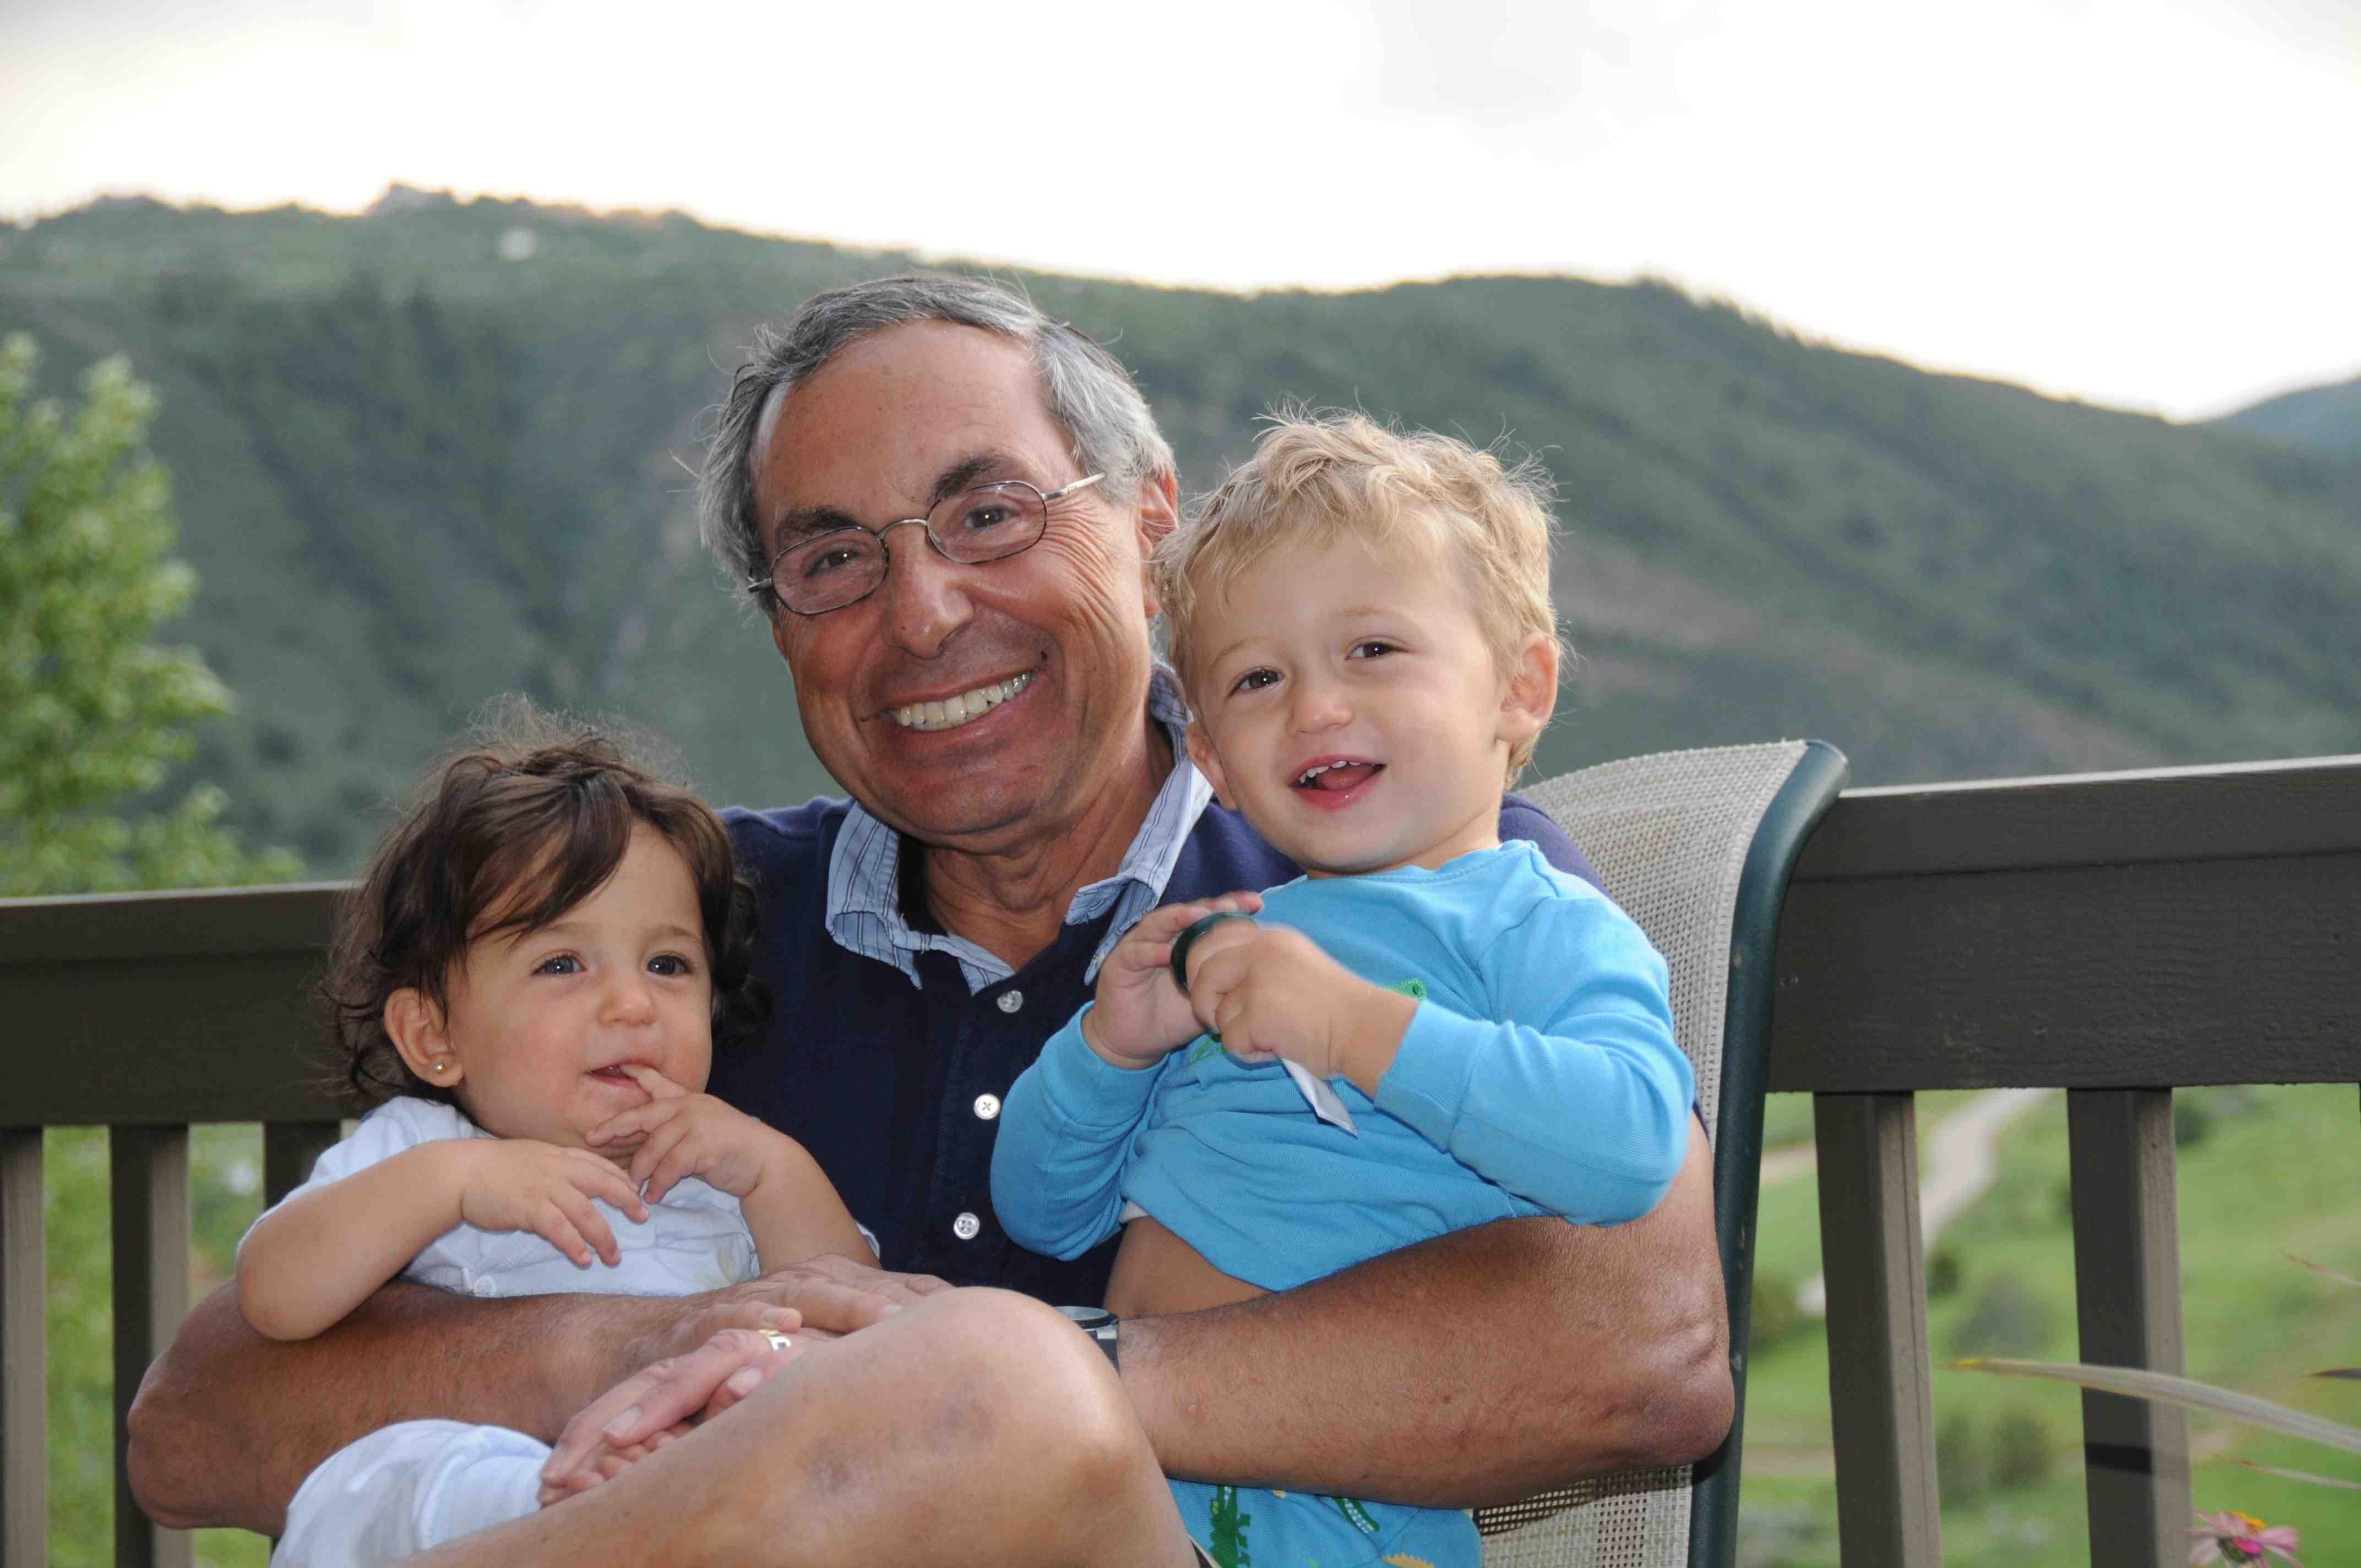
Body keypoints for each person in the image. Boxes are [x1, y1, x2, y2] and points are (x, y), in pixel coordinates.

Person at [127, 275, 1733, 1565]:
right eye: (833, 559)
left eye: (990, 517)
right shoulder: (668, 935)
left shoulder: (1401, 877)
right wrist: (659, 1344)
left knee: (994, 1374)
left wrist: (998, 1390)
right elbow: (199, 1423)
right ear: (779, 630)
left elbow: (1645, 1350)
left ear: (1150, 528)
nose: (924, 612)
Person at [990, 414, 1695, 1567]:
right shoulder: (1227, 941)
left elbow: (1626, 1145)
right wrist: (1108, 1048)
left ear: (1518, 689)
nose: (1314, 706)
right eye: (1257, 678)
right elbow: (1043, 1211)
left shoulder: (1537, 920)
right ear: (1210, 755)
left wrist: (1354, 1025)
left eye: (1372, 650)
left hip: (1344, 1512)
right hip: (1127, 1489)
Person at [240, 721, 880, 1562]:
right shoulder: (425, 1148)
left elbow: (862, 1324)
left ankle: (628, 1492)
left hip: (681, 1498)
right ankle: (557, 1495)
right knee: (395, 1467)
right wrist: (455, 1182)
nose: (632, 1005)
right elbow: (275, 1293)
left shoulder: (713, 1175)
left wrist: (771, 1169)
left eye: (668, 966)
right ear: (434, 1034)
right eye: (561, 966)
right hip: (469, 1516)